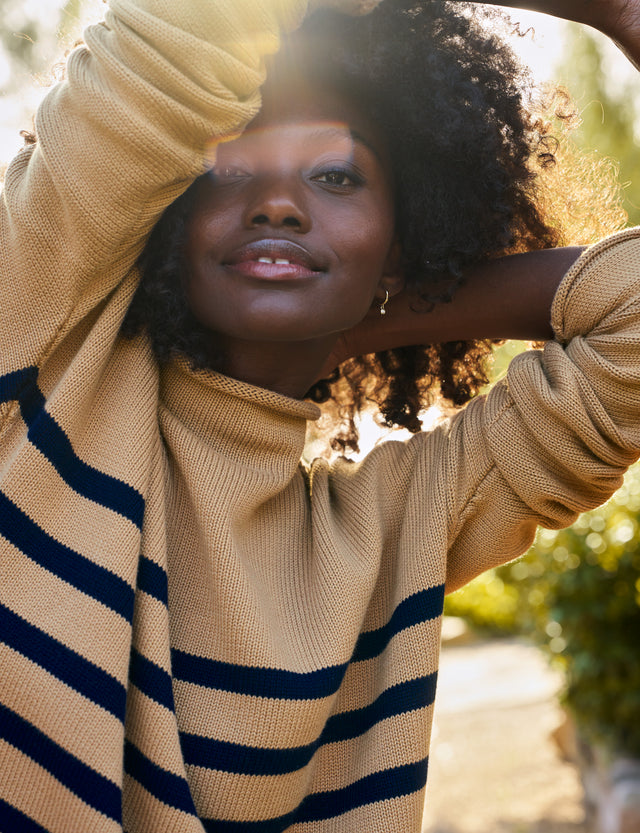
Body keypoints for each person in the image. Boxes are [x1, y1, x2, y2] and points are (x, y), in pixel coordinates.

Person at [0, 0, 638, 830]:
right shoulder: (32, 343)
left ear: (403, 233)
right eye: (225, 168)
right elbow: (187, 35)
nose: (277, 204)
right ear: (161, 205)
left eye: (335, 176)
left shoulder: (394, 531)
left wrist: (374, 314)